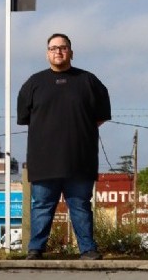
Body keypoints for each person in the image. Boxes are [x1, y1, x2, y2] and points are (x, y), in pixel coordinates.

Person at [17, 33, 111, 260]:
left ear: (71, 52)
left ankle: (88, 250)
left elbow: (101, 116)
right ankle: (35, 250)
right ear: (47, 53)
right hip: (44, 161)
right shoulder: (34, 83)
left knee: (80, 206)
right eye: (53, 48)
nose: (58, 52)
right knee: (41, 206)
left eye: (62, 48)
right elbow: (26, 117)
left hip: (80, 159)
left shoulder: (88, 81)